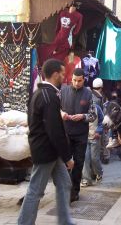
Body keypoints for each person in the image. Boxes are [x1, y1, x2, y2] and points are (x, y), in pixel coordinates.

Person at [18, 59, 74, 225]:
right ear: (55, 74)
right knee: (35, 191)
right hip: (46, 151)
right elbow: (55, 131)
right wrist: (67, 157)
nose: (64, 77)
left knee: (64, 183)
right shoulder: (48, 96)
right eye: (63, 74)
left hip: (50, 150)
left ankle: (64, 221)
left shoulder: (41, 93)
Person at [61, 68, 97, 202]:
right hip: (65, 133)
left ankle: (75, 191)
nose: (77, 83)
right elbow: (56, 108)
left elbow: (93, 115)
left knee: (78, 163)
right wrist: (61, 113)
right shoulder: (63, 91)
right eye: (75, 80)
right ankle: (64, 189)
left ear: (84, 80)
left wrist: (83, 116)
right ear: (71, 79)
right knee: (65, 163)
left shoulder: (89, 94)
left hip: (81, 135)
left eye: (79, 81)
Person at [81, 104, 104, 187]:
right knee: (85, 159)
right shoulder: (79, 108)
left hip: (95, 136)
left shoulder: (97, 108)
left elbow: (102, 121)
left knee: (94, 158)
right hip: (83, 137)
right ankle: (86, 179)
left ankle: (99, 172)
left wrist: (98, 131)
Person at [91, 78, 110, 164]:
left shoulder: (90, 95)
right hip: (100, 122)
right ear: (101, 87)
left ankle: (101, 156)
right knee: (105, 140)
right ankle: (105, 157)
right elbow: (102, 112)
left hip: (92, 124)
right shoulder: (99, 98)